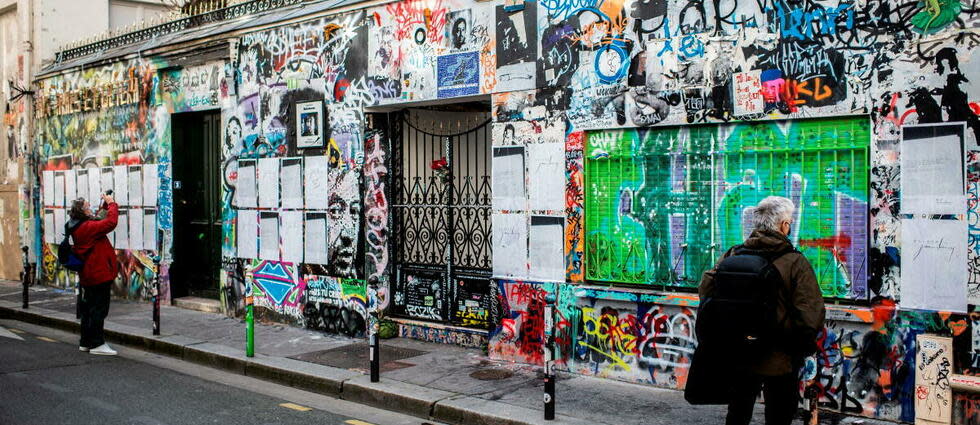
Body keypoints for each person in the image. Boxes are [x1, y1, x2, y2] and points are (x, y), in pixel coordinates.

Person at [698, 196, 825, 425]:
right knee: (779, 414)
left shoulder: (733, 255)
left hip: (738, 352)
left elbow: (706, 290)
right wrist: (800, 346)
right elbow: (810, 313)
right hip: (779, 357)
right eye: (790, 222)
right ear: (784, 225)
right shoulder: (794, 262)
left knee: (737, 412)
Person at [67, 193, 120, 356]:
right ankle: (97, 344)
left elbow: (99, 220)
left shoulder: (78, 225)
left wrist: (104, 206)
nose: (91, 210)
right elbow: (110, 223)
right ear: (82, 212)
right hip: (98, 274)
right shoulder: (87, 228)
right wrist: (112, 204)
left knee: (88, 308)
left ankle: (85, 342)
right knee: (98, 309)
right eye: (88, 207)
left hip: (89, 274)